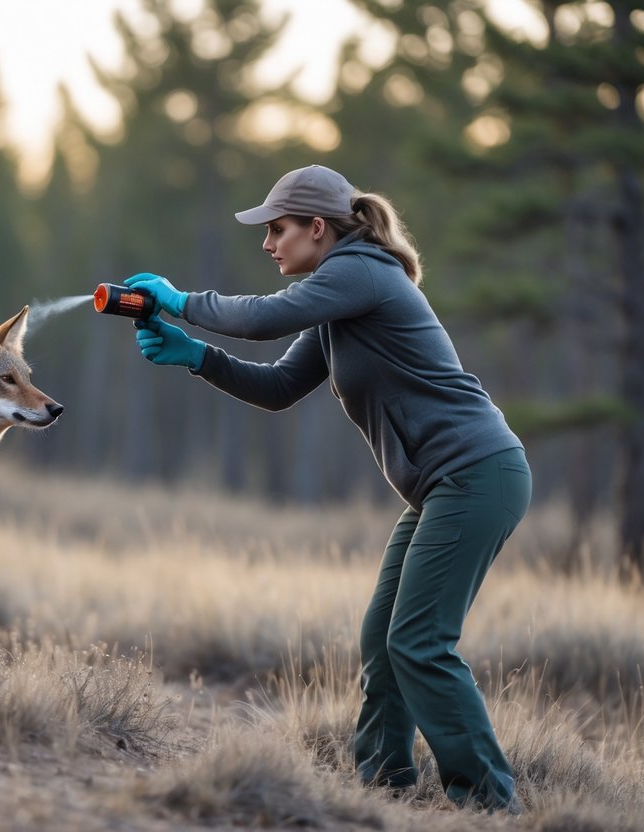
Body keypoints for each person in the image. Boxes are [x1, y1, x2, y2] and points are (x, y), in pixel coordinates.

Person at [125, 164, 531, 814]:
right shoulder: (339, 298)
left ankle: (487, 799)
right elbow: (280, 387)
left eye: (277, 229)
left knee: (419, 641)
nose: (268, 244)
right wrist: (195, 356)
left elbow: (261, 319)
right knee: (383, 639)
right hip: (441, 488)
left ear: (318, 228)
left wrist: (178, 300)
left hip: (476, 475)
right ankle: (381, 784)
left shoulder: (361, 270)